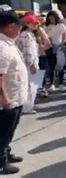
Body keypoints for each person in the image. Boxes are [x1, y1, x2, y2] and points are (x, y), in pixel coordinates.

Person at [0, 11, 28, 175]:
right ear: (11, 26)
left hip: (15, 97)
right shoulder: (2, 47)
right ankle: (2, 161)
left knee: (9, 131)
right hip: (7, 101)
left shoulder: (8, 43)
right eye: (18, 27)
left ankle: (6, 152)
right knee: (2, 132)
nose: (20, 30)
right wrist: (4, 98)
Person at [16, 14, 41, 114]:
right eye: (33, 23)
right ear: (27, 24)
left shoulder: (28, 34)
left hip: (30, 63)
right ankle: (27, 107)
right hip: (28, 65)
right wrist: (31, 65)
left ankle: (29, 106)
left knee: (30, 86)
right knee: (29, 86)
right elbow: (28, 52)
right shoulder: (26, 35)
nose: (36, 25)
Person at [45, 11, 66, 91]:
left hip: (60, 47)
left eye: (53, 18)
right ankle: (52, 84)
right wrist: (51, 44)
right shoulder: (47, 27)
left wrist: (62, 43)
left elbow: (64, 36)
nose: (51, 19)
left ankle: (61, 83)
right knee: (52, 67)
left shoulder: (61, 26)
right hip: (51, 48)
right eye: (50, 18)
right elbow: (47, 37)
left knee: (61, 66)